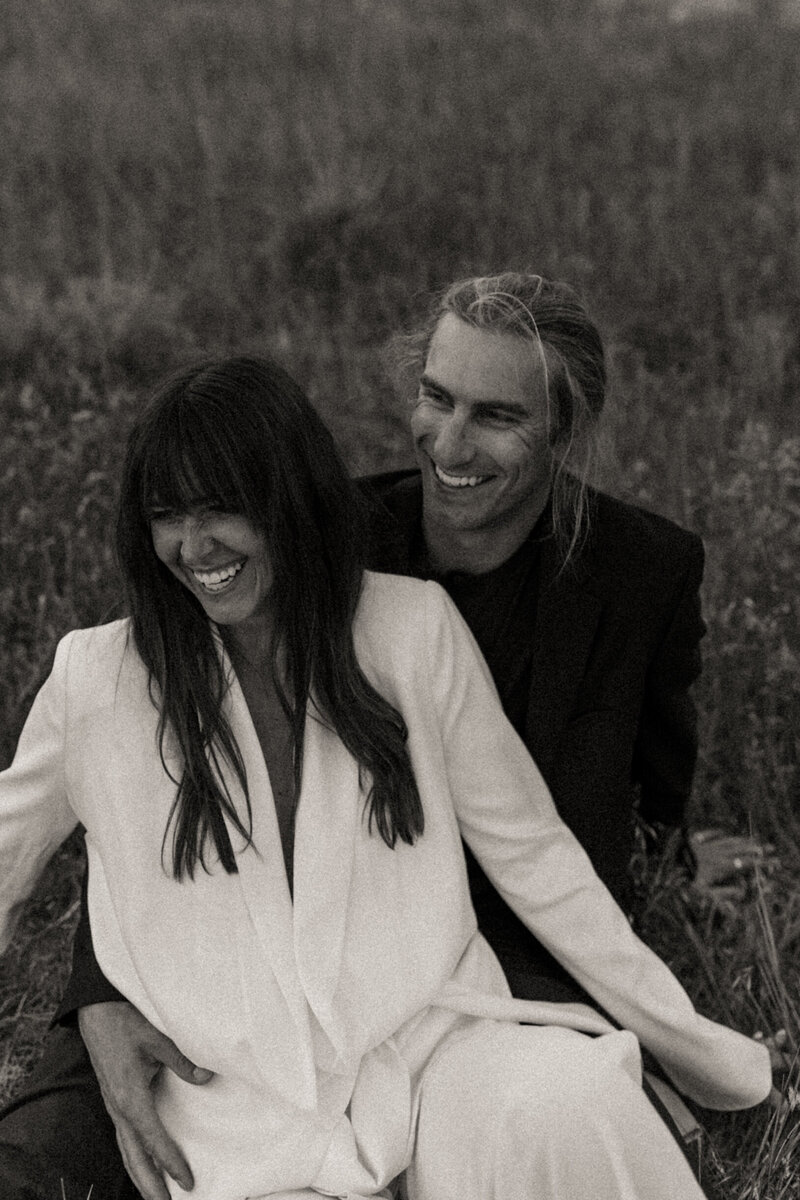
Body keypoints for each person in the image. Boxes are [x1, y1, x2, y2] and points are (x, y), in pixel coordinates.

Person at [0, 354, 771, 1200]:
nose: (195, 546)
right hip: (232, 1111)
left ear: (290, 499)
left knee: (570, 1101)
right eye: (167, 516)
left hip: (429, 1055)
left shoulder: (412, 631)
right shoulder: (96, 679)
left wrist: (692, 1047)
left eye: (225, 509)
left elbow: (538, 860)